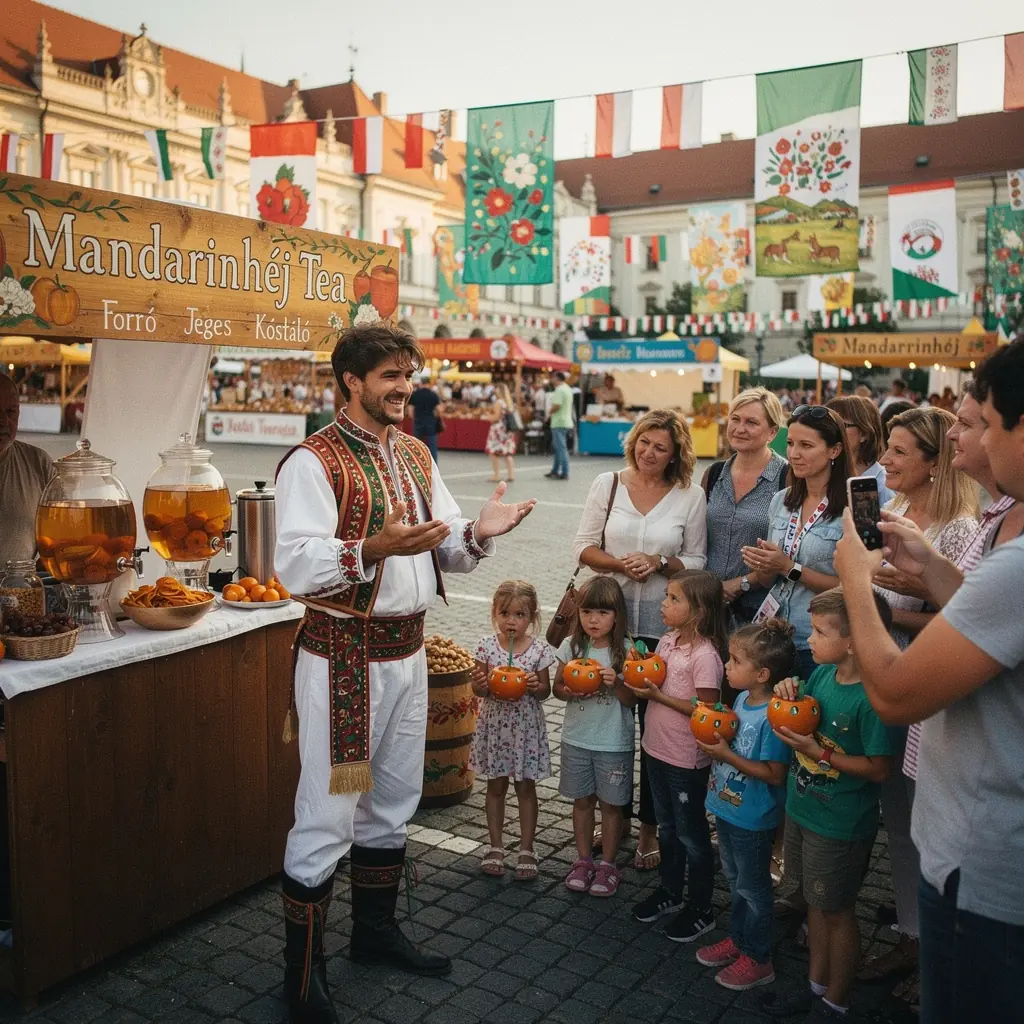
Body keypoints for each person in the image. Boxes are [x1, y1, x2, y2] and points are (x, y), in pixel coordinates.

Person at [273, 323, 536, 1022]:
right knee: (332, 808)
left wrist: (479, 533)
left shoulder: (417, 454)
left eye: (408, 374)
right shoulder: (315, 460)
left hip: (408, 655)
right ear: (351, 382)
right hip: (345, 663)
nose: (403, 387)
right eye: (389, 375)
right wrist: (369, 547)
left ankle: (374, 934)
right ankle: (302, 977)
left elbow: (443, 546)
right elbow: (294, 562)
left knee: (391, 797)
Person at [833, 339, 1024, 1024]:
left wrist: (857, 582)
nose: (966, 436)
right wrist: (930, 570)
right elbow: (984, 611)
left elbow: (895, 691)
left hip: (984, 871)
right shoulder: (1005, 528)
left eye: (980, 422)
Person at [573, 409, 708, 870]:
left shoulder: (690, 495)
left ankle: (649, 827)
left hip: (660, 628)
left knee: (655, 731)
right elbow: (583, 546)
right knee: (608, 723)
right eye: (644, 442)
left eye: (661, 447)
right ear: (634, 441)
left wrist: (660, 561)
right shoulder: (607, 483)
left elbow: (697, 558)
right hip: (608, 623)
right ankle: (611, 813)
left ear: (676, 454)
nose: (650, 453)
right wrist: (619, 565)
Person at [761, 588, 893, 1022]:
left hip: (840, 824)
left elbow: (877, 768)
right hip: (804, 809)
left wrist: (820, 754)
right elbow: (802, 709)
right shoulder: (821, 676)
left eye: (819, 632)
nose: (809, 639)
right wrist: (787, 689)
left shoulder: (872, 698)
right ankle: (817, 986)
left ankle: (837, 1001)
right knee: (816, 904)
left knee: (837, 911)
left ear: (854, 641)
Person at [696, 618, 796, 991]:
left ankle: (758, 957)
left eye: (735, 661)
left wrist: (724, 753)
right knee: (737, 880)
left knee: (754, 888)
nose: (726, 666)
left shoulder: (774, 715)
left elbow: (773, 773)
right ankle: (739, 940)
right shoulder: (740, 699)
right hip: (728, 808)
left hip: (753, 817)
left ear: (762, 674)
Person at [630, 571, 727, 943]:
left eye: (673, 599)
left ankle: (701, 907)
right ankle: (670, 892)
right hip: (656, 748)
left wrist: (657, 697)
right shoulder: (668, 641)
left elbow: (707, 710)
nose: (663, 604)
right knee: (667, 829)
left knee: (691, 834)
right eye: (666, 597)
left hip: (686, 759)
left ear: (698, 611)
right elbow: (655, 674)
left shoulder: (705, 656)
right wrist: (639, 664)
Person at [741, 406, 849, 681]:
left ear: (834, 450)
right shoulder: (782, 500)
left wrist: (790, 567)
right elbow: (769, 581)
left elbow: (854, 586)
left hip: (819, 640)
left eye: (806, 445)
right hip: (773, 638)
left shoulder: (851, 507)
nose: (794, 454)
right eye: (790, 444)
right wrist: (764, 566)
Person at [553, 576, 635, 898]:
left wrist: (616, 683)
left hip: (613, 742)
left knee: (612, 806)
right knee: (582, 801)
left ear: (617, 615)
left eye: (602, 612)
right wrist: (570, 690)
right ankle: (584, 860)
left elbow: (632, 701)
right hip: (576, 738)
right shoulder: (571, 646)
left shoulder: (626, 651)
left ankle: (609, 865)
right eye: (587, 612)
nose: (593, 620)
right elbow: (558, 689)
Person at [469, 580, 554, 882]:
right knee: (495, 787)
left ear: (531, 617)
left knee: (526, 788)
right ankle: (495, 845)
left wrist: (535, 685)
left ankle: (527, 848)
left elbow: (545, 691)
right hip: (496, 727)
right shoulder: (486, 646)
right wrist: (479, 684)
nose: (511, 621)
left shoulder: (539, 650)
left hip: (525, 730)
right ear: (495, 613)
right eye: (505, 613)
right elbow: (478, 687)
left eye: (519, 615)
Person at [704, 388, 789, 625]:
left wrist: (742, 583)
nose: (740, 428)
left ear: (772, 432)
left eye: (751, 422)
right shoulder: (714, 474)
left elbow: (790, 549)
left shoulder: (786, 477)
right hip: (710, 606)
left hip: (760, 612)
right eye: (735, 419)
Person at [0, 374, 55, 567]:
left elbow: (55, 542)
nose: (3, 421)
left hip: (22, 593)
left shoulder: (38, 463)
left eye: (11, 411)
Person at [825, 395, 894, 506]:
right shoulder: (826, 474)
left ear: (864, 434)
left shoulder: (883, 486)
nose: (830, 431)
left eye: (841, 425)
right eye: (827, 425)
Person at [485, 383, 518, 483]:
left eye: (496, 389)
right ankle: (511, 474)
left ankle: (496, 474)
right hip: (507, 430)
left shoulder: (499, 402)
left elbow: (496, 417)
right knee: (507, 452)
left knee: (493, 452)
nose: (494, 391)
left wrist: (488, 416)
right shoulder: (509, 402)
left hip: (498, 430)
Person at [546, 371, 574, 480]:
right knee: (558, 447)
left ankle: (565, 472)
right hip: (566, 421)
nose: (552, 380)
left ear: (557, 378)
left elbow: (557, 405)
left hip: (558, 422)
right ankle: (555, 470)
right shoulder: (567, 388)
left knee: (561, 448)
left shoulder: (559, 390)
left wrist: (549, 412)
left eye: (553, 378)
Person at [407, 379, 441, 462]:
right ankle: (434, 464)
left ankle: (416, 463)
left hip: (418, 421)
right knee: (432, 445)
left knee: (416, 444)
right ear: (428, 384)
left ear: (421, 383)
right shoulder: (433, 394)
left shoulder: (415, 394)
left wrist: (414, 418)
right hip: (430, 422)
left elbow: (410, 411)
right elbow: (439, 410)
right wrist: (435, 417)